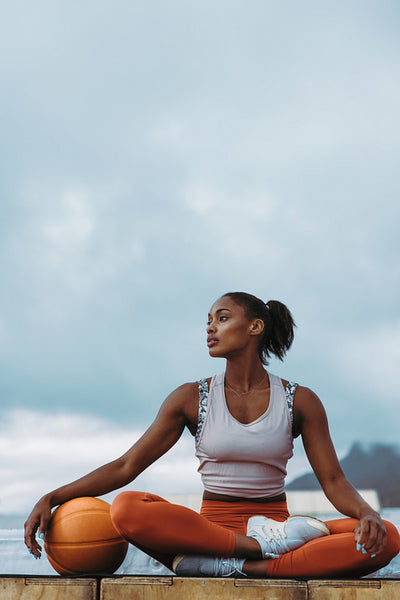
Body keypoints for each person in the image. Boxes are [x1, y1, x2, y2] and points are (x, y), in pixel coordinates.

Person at [24, 292, 400, 578]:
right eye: (208, 321)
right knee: (126, 509)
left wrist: (366, 512)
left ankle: (241, 566)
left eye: (222, 318)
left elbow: (333, 480)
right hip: (207, 530)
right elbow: (126, 465)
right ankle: (256, 552)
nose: (210, 328)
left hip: (279, 527)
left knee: (387, 535)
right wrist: (52, 496)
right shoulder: (191, 397)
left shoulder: (301, 400)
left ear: (255, 327)